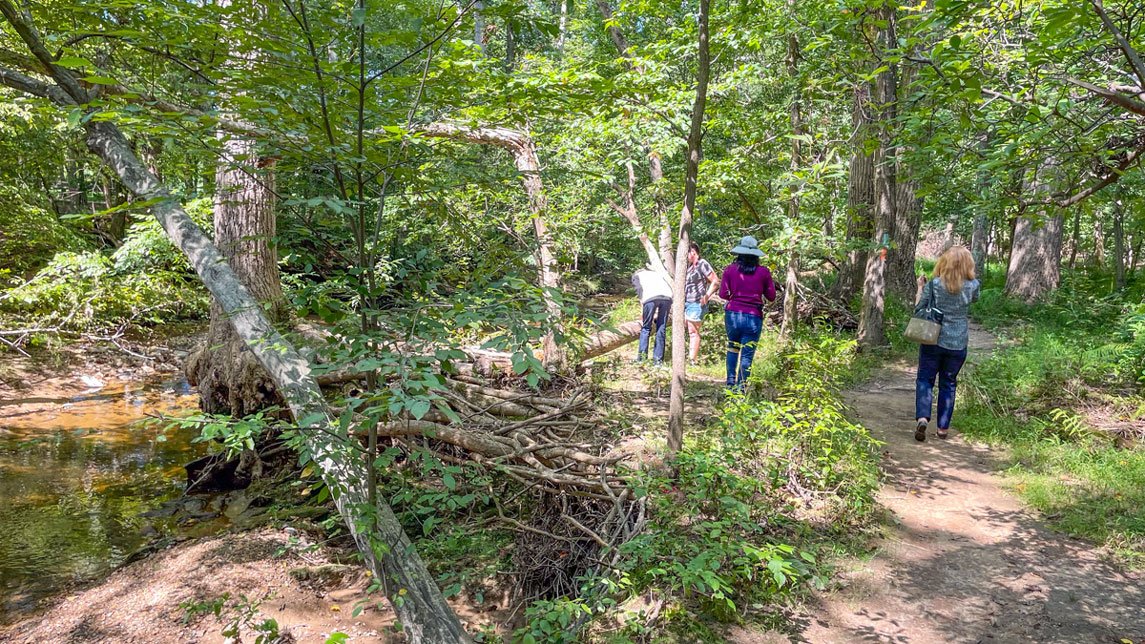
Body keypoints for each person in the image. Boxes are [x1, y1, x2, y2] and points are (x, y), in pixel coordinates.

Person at [914, 245, 980, 442]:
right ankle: (943, 428)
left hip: (932, 338)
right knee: (949, 383)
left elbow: (919, 307)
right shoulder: (973, 285)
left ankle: (924, 417)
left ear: (944, 262)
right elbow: (974, 300)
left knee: (925, 379)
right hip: (958, 342)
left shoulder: (934, 284)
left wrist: (920, 287)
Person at [718, 236, 776, 389]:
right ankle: (741, 387)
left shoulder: (730, 270)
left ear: (739, 253)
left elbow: (723, 294)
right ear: (756, 254)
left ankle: (730, 384)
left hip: (733, 314)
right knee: (747, 353)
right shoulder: (763, 272)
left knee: (733, 347)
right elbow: (771, 296)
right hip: (753, 316)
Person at [684, 242, 719, 363]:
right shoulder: (689, 267)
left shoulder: (702, 263)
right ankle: (688, 356)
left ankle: (692, 360)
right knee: (687, 329)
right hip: (686, 302)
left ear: (693, 252)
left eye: (687, 252)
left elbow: (715, 281)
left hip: (696, 303)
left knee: (693, 332)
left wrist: (706, 296)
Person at [632, 265, 673, 364]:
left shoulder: (636, 276)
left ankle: (642, 359)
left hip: (650, 298)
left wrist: (643, 312)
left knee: (646, 328)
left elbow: (640, 293)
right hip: (667, 297)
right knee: (661, 328)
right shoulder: (655, 274)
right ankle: (658, 361)